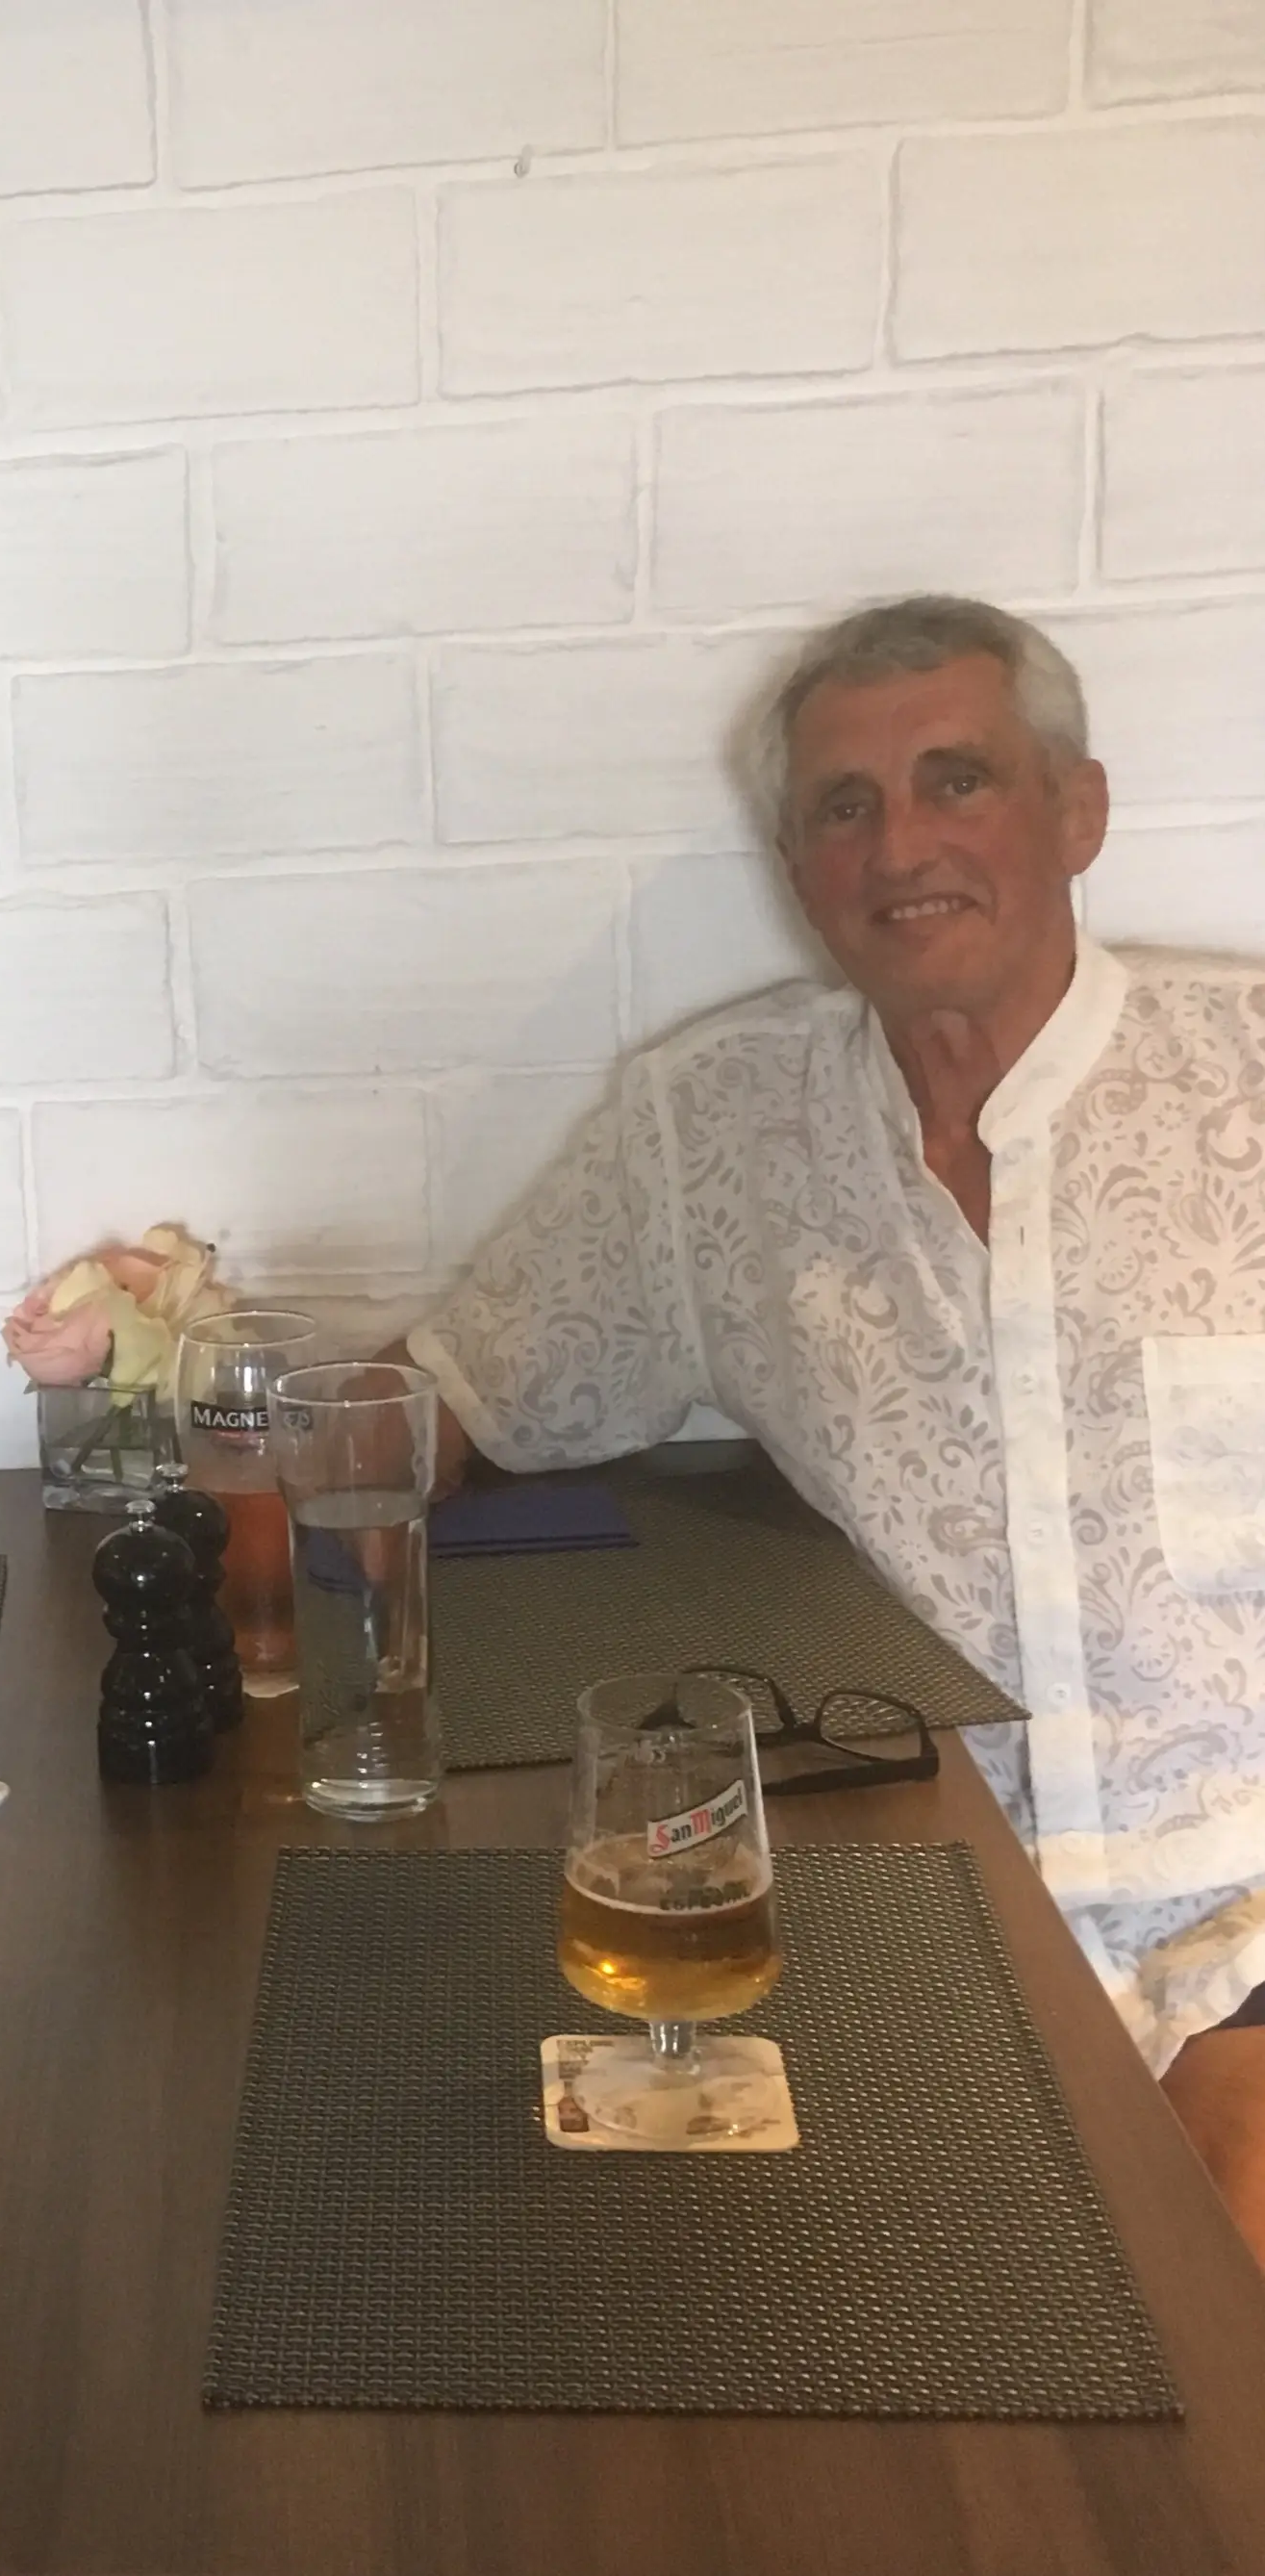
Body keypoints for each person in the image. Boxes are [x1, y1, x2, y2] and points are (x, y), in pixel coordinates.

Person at [404, 597, 1265, 2251]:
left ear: (1077, 813)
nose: (904, 845)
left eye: (960, 780)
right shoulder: (711, 1132)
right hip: (909, 1910)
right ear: (799, 867)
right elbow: (454, 1393)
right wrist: (234, 1446)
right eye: (845, 807)